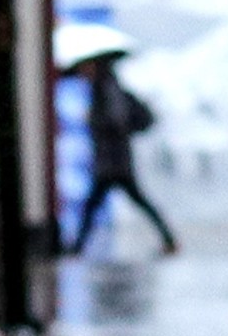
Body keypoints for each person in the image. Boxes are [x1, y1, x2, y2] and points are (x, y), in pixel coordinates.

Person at [70, 51, 179, 253]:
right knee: (105, 204)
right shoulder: (102, 88)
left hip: (113, 161)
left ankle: (77, 246)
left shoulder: (107, 89)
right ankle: (169, 239)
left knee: (97, 205)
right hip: (113, 160)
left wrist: (93, 120)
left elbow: (115, 120)